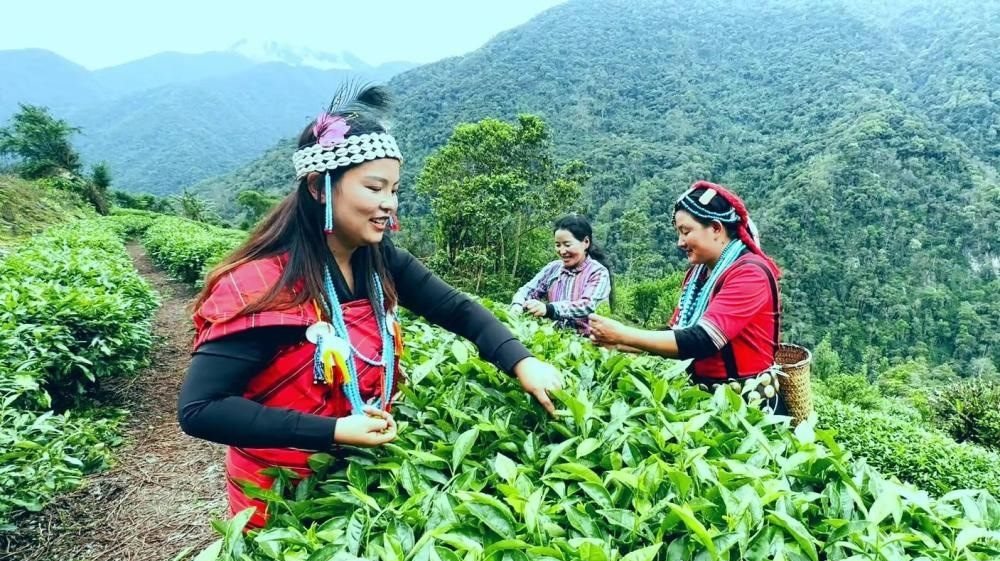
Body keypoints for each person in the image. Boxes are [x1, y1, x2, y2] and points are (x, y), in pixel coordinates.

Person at [177, 84, 563, 527]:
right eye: (374, 187)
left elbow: (457, 310)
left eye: (394, 189)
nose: (389, 204)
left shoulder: (378, 259)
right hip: (277, 495)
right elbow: (201, 409)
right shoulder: (260, 284)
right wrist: (334, 431)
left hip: (358, 478)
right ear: (319, 188)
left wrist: (522, 362)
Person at [588, 181, 784, 413]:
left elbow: (704, 339)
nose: (680, 242)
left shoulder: (750, 273)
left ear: (716, 228)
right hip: (703, 402)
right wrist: (622, 343)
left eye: (686, 231)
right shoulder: (698, 274)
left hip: (749, 408)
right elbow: (678, 331)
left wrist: (624, 334)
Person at [510, 215, 613, 335]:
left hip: (587, 341)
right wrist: (517, 306)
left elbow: (587, 305)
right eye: (558, 245)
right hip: (553, 337)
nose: (562, 251)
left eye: (567, 245)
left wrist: (549, 309)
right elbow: (527, 290)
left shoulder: (598, 272)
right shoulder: (553, 268)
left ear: (586, 242)